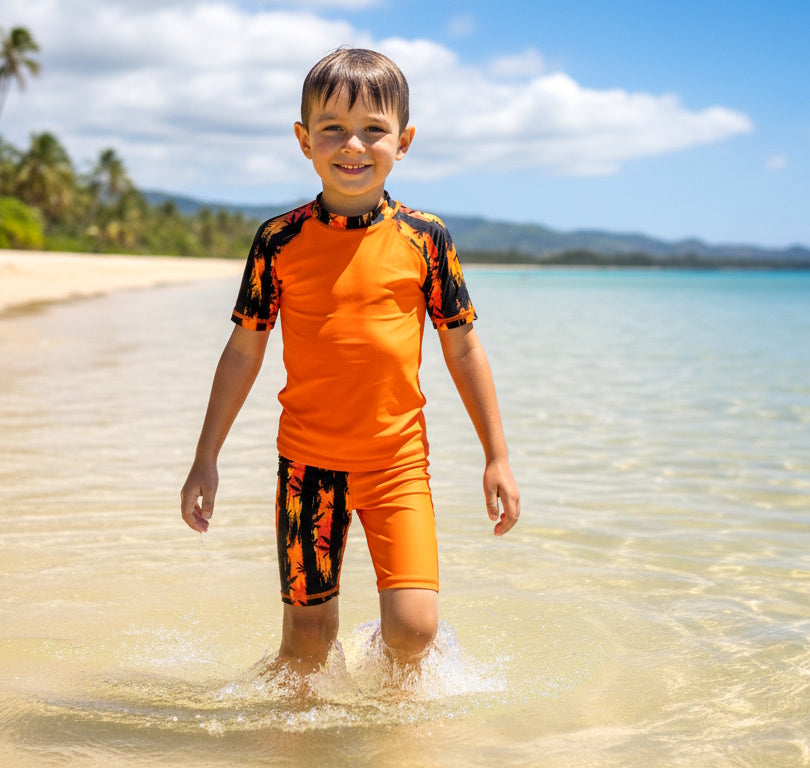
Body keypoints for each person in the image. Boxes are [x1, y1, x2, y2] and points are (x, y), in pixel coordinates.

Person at [180, 48, 520, 673]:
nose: (353, 144)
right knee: (306, 645)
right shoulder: (278, 241)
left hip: (398, 464)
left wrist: (496, 455)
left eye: (374, 129)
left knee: (415, 632)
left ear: (405, 140)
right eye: (332, 128)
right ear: (303, 139)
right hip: (307, 468)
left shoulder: (427, 238)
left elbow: (464, 347)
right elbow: (243, 351)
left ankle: (391, 714)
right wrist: (207, 457)